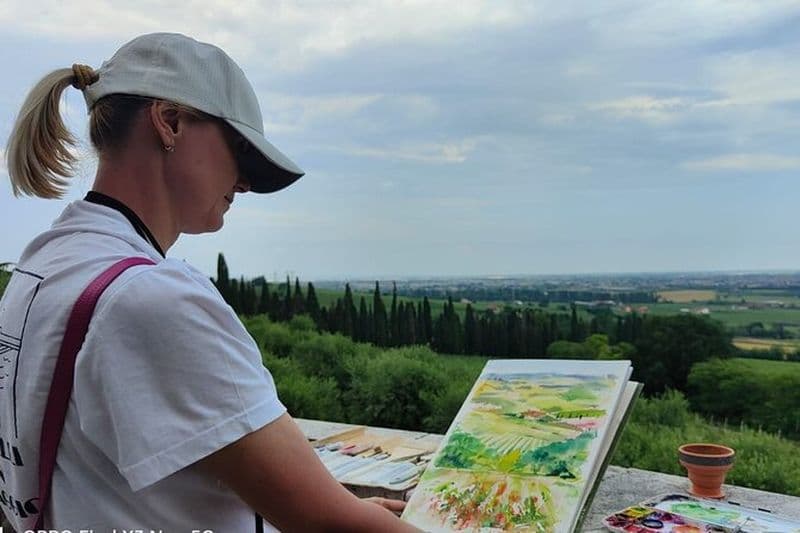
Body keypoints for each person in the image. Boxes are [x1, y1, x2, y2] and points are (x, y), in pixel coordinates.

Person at [0, 33, 420, 532]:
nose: (245, 182)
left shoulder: (43, 268)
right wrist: (350, 516)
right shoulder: (152, 299)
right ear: (170, 121)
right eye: (240, 151)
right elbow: (327, 525)